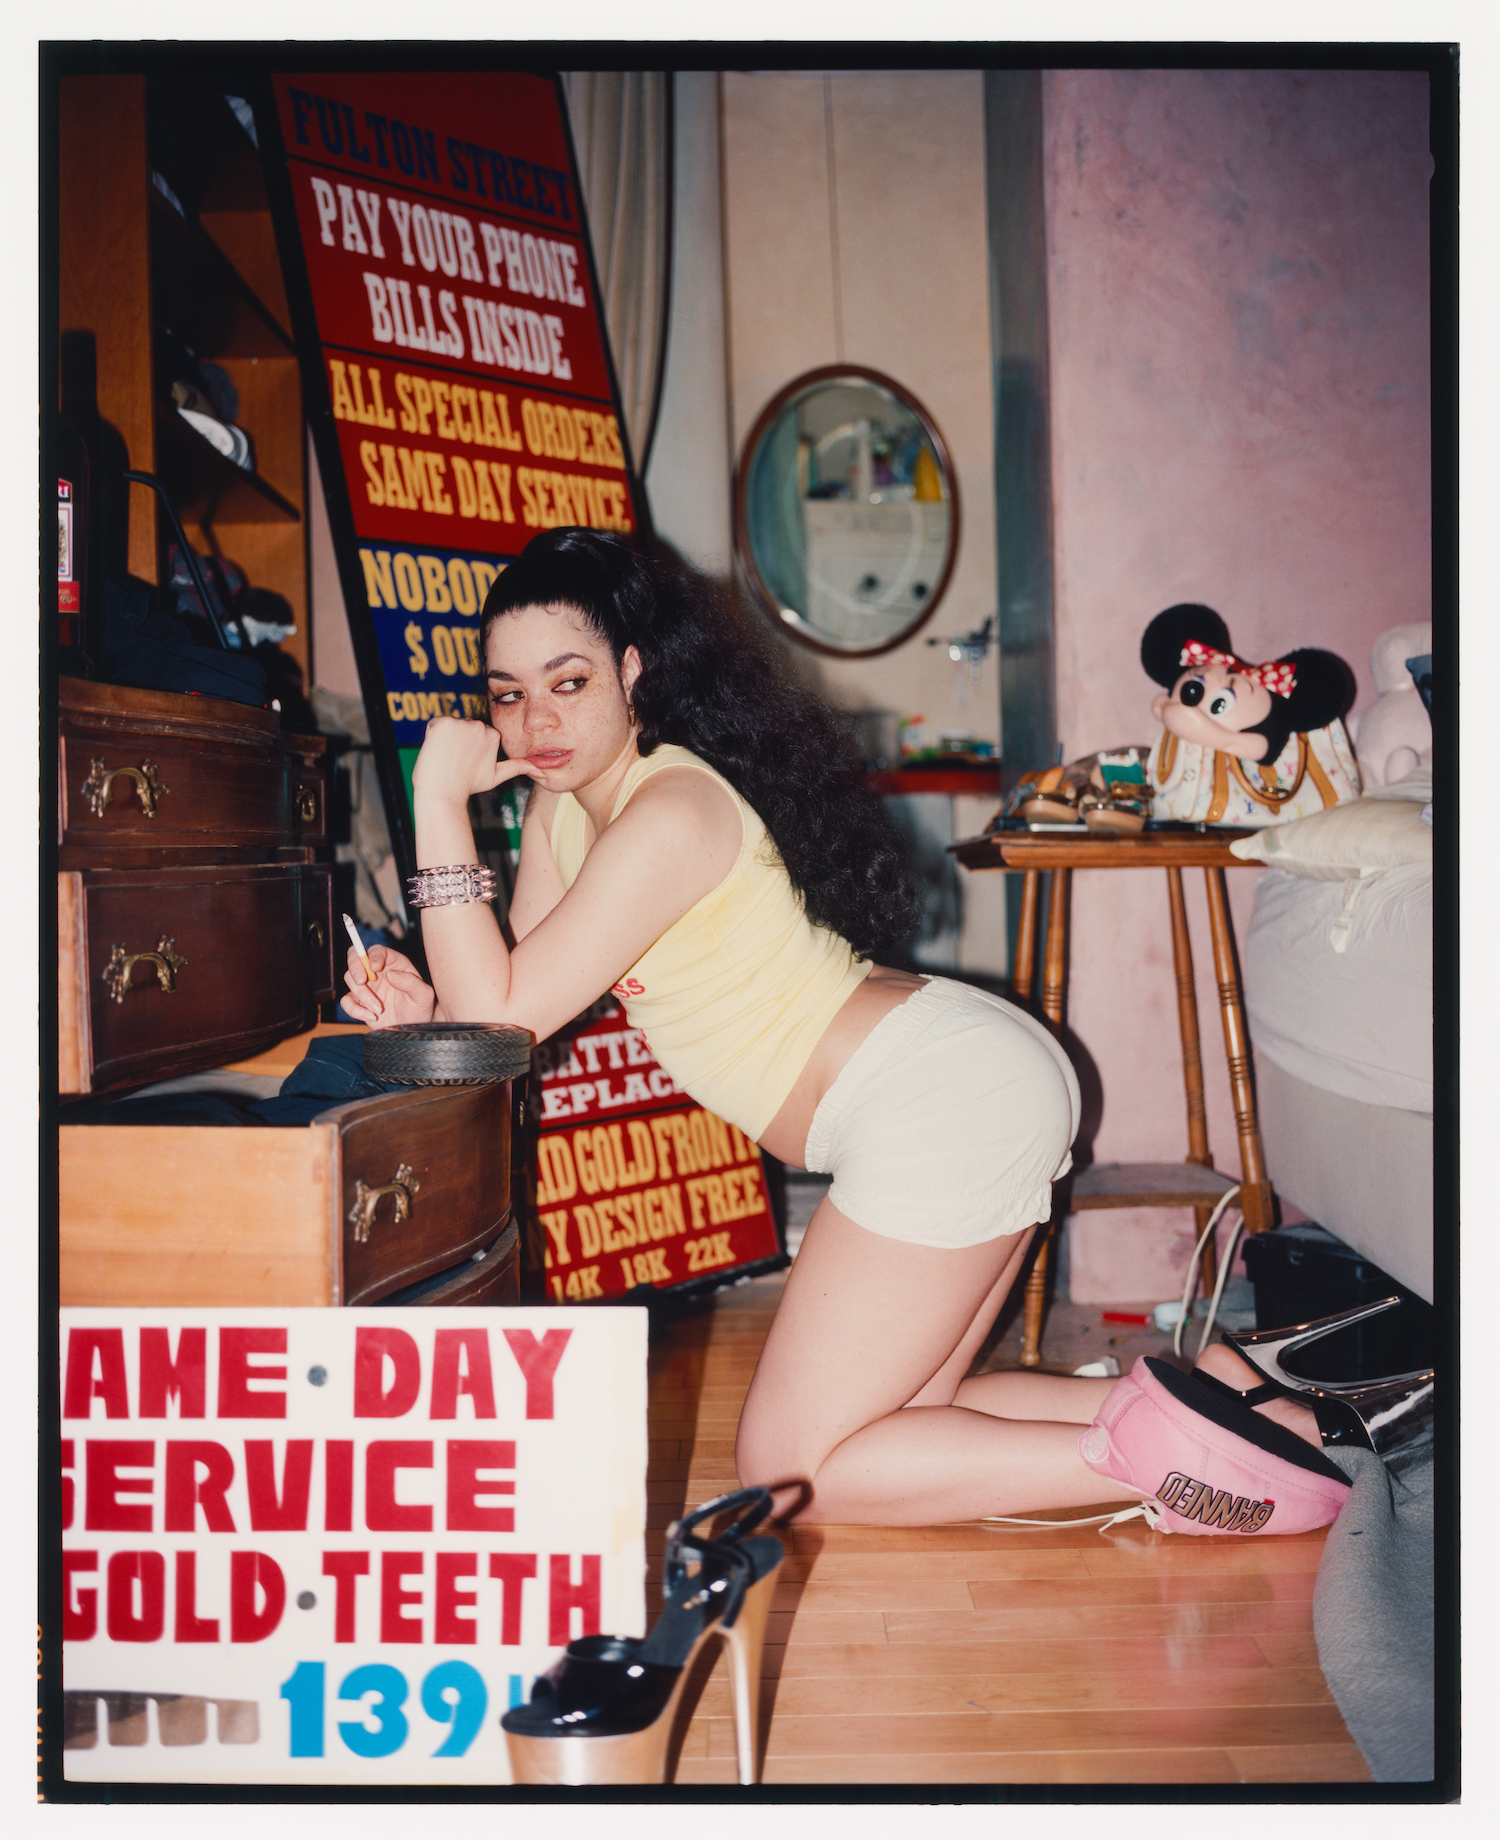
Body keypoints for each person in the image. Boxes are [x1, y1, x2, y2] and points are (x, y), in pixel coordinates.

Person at [344, 528, 1337, 1530]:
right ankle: (1227, 1403)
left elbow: (502, 1010)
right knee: (911, 1414)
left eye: (568, 682)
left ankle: (1186, 1466)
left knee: (789, 1471)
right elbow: (513, 1002)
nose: (536, 720)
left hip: (936, 1100)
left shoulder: (672, 807)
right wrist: (428, 1009)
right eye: (507, 693)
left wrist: (436, 800)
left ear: (631, 671)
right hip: (952, 1085)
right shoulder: (568, 813)